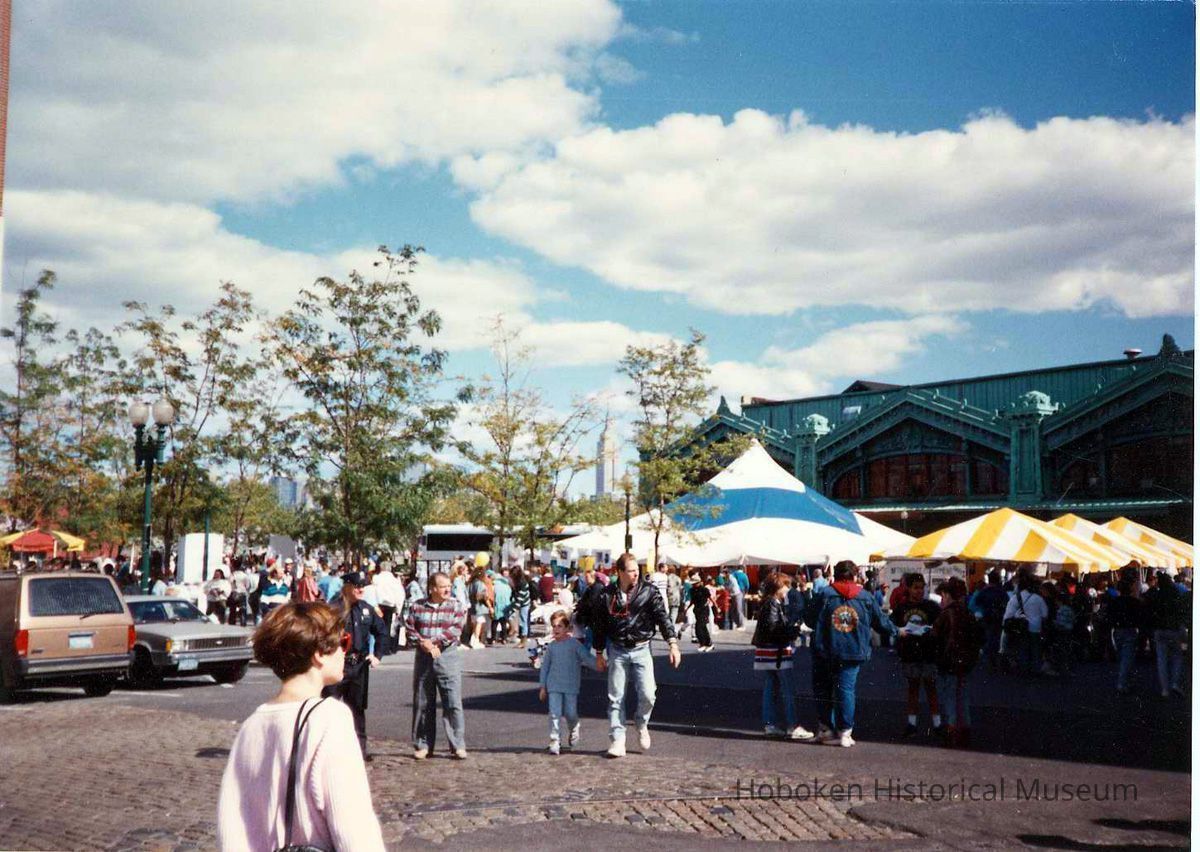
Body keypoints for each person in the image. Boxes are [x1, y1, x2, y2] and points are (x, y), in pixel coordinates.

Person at [217, 601, 385, 852]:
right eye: (343, 642)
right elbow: (354, 828)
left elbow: (231, 827)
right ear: (319, 653)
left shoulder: (251, 725)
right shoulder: (330, 717)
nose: (344, 652)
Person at [589, 552, 681, 758]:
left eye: (637, 571)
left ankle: (641, 722)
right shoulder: (606, 595)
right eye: (630, 571)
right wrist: (598, 652)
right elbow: (599, 626)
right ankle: (617, 739)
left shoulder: (648, 592)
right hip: (617, 649)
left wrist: (672, 644)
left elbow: (663, 618)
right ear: (619, 572)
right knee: (616, 697)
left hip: (641, 648)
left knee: (649, 694)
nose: (635, 575)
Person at [806, 560, 897, 747]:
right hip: (853, 651)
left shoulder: (825, 593)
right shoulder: (865, 596)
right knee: (846, 690)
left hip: (826, 649)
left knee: (823, 690)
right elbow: (880, 622)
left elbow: (809, 618)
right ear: (855, 576)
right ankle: (845, 732)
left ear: (836, 575)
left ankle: (826, 729)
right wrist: (897, 631)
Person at [321, 572, 389, 760]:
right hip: (336, 664)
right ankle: (327, 750)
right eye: (357, 586)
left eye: (363, 587)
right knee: (329, 707)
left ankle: (359, 749)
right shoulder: (333, 609)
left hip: (358, 665)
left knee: (357, 709)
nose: (360, 590)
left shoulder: (366, 609)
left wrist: (377, 655)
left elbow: (382, 632)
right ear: (347, 587)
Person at [405, 571, 469, 760]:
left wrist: (432, 641)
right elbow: (409, 627)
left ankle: (457, 744)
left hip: (446, 655)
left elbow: (455, 629)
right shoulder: (418, 606)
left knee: (452, 702)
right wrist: (422, 643)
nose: (447, 589)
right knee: (423, 702)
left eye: (449, 586)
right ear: (432, 588)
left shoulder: (455, 605)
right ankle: (423, 744)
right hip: (424, 657)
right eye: (443, 586)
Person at [752, 572, 813, 740]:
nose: (788, 589)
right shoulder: (773, 603)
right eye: (786, 585)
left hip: (768, 651)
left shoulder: (769, 602)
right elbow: (774, 629)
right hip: (776, 651)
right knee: (787, 688)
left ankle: (770, 724)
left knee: (771, 687)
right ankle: (793, 725)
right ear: (778, 586)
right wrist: (795, 630)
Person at [538, 610, 601, 754]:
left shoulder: (575, 644)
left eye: (560, 626)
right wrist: (543, 686)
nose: (556, 629)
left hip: (571, 685)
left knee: (570, 713)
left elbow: (586, 658)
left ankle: (574, 727)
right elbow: (545, 667)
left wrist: (599, 664)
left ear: (568, 628)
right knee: (554, 713)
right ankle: (555, 740)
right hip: (553, 684)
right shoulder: (552, 646)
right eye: (554, 626)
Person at [890, 573, 942, 737]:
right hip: (910, 654)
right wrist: (900, 633)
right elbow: (893, 625)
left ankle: (937, 724)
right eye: (915, 588)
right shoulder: (901, 607)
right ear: (909, 589)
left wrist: (933, 631)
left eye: (922, 588)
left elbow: (940, 626)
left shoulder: (932, 607)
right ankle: (911, 724)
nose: (919, 591)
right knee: (913, 688)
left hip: (928, 653)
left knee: (931, 688)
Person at [932, 577, 981, 749]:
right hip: (966, 663)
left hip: (948, 662)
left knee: (950, 698)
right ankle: (965, 732)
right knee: (963, 697)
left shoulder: (946, 614)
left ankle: (951, 732)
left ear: (946, 594)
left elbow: (935, 637)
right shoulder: (968, 613)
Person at [1145, 571, 1189, 698]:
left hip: (1159, 630)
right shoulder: (1175, 594)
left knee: (1162, 660)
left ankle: (1165, 689)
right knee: (1177, 656)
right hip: (1173, 629)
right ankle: (1174, 682)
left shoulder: (1157, 595)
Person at [1002, 570, 1048, 676]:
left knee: (1023, 648)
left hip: (1021, 628)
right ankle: (1035, 669)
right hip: (1036, 628)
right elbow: (1045, 614)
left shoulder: (1015, 599)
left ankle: (1024, 669)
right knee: (1036, 648)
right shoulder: (1038, 598)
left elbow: (1008, 615)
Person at [1108, 577, 1145, 695]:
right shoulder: (1135, 602)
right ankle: (1122, 682)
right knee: (1127, 657)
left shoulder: (1114, 601)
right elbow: (1140, 617)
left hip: (1117, 630)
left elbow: (1110, 616)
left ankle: (1124, 681)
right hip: (1130, 630)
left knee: (1121, 656)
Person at [688, 572, 714, 652]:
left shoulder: (704, 589)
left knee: (700, 626)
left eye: (695, 583)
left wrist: (716, 607)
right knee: (701, 627)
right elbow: (693, 600)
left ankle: (707, 643)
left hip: (704, 609)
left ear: (699, 582)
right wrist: (687, 608)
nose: (693, 585)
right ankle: (705, 643)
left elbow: (710, 598)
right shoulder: (692, 590)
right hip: (697, 610)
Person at [467, 565, 490, 650]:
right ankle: (476, 640)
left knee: (474, 624)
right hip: (479, 607)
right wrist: (485, 595)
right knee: (479, 624)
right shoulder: (480, 584)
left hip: (472, 607)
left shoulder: (471, 583)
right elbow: (479, 595)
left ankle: (472, 640)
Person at [511, 567, 534, 649]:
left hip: (525, 604)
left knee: (523, 621)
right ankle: (520, 637)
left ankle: (523, 640)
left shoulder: (523, 583)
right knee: (520, 621)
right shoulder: (518, 582)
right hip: (521, 602)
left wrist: (515, 607)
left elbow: (521, 596)